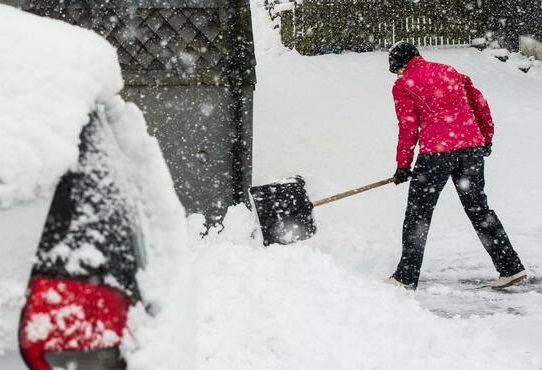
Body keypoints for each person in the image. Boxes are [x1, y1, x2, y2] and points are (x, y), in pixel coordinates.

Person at [385, 41, 526, 290]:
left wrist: (403, 166)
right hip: (470, 148)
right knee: (479, 209)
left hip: (436, 155)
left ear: (401, 65)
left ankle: (406, 277)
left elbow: (408, 127)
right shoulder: (449, 71)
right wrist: (485, 138)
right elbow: (479, 103)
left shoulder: (404, 84)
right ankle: (510, 267)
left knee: (418, 214)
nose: (397, 75)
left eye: (396, 70)